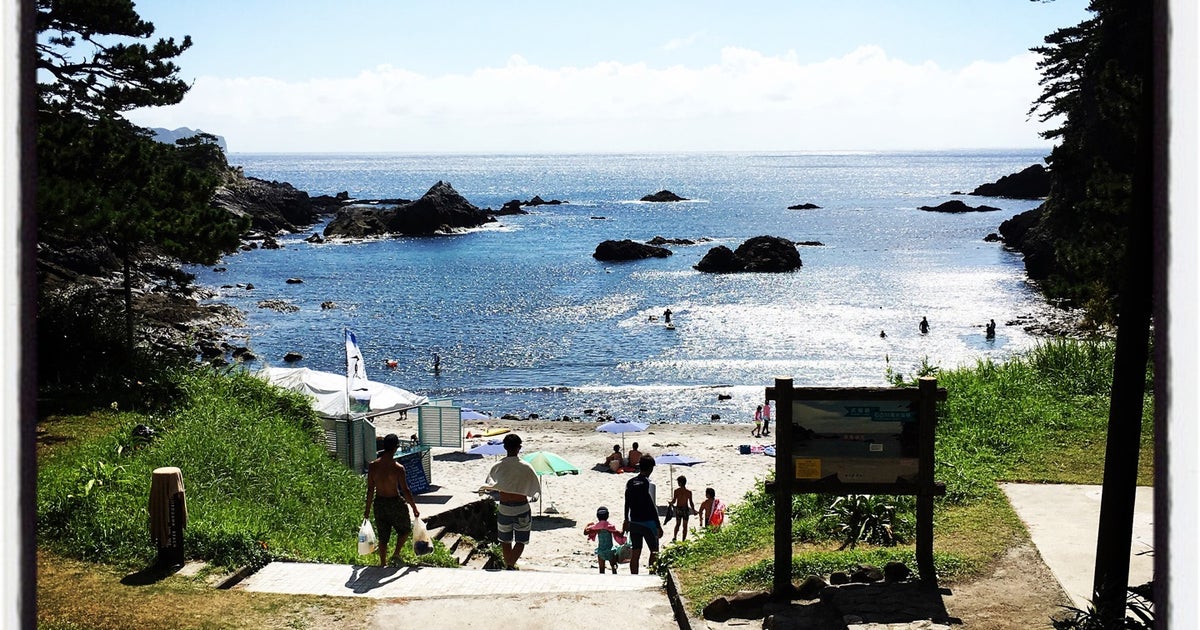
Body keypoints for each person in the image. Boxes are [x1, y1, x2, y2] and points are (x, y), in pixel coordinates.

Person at [485, 433, 541, 569]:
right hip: (521, 507)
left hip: (504, 507)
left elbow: (489, 484)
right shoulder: (526, 467)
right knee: (521, 540)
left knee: (505, 540)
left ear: (504, 447)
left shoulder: (498, 466)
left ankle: (508, 565)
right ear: (519, 448)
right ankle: (509, 565)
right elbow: (535, 489)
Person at [363, 433, 420, 567]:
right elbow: (405, 490)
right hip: (394, 502)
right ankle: (396, 554)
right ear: (396, 448)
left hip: (379, 503)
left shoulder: (373, 466)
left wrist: (367, 510)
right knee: (405, 530)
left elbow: (370, 490)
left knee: (383, 537)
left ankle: (383, 563)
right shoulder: (398, 468)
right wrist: (414, 508)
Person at [622, 455, 662, 574]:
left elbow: (627, 503)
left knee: (636, 552)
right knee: (654, 551)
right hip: (648, 522)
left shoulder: (630, 482)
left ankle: (634, 576)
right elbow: (651, 506)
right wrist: (658, 525)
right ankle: (652, 574)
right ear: (651, 468)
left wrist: (626, 520)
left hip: (634, 521)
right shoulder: (648, 483)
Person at [584, 506, 626, 574]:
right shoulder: (610, 527)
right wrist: (624, 526)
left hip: (601, 551)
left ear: (597, 516)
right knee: (614, 567)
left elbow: (585, 532)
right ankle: (615, 579)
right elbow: (620, 534)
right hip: (610, 551)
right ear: (607, 516)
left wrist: (588, 524)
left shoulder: (596, 527)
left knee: (601, 569)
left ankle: (602, 581)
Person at [668, 475, 696, 542]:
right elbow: (691, 502)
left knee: (678, 524)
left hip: (679, 509)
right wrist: (694, 510)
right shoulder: (688, 492)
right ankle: (683, 540)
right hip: (685, 509)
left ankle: (675, 537)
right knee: (685, 526)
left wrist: (670, 503)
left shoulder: (676, 491)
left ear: (680, 483)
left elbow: (674, 501)